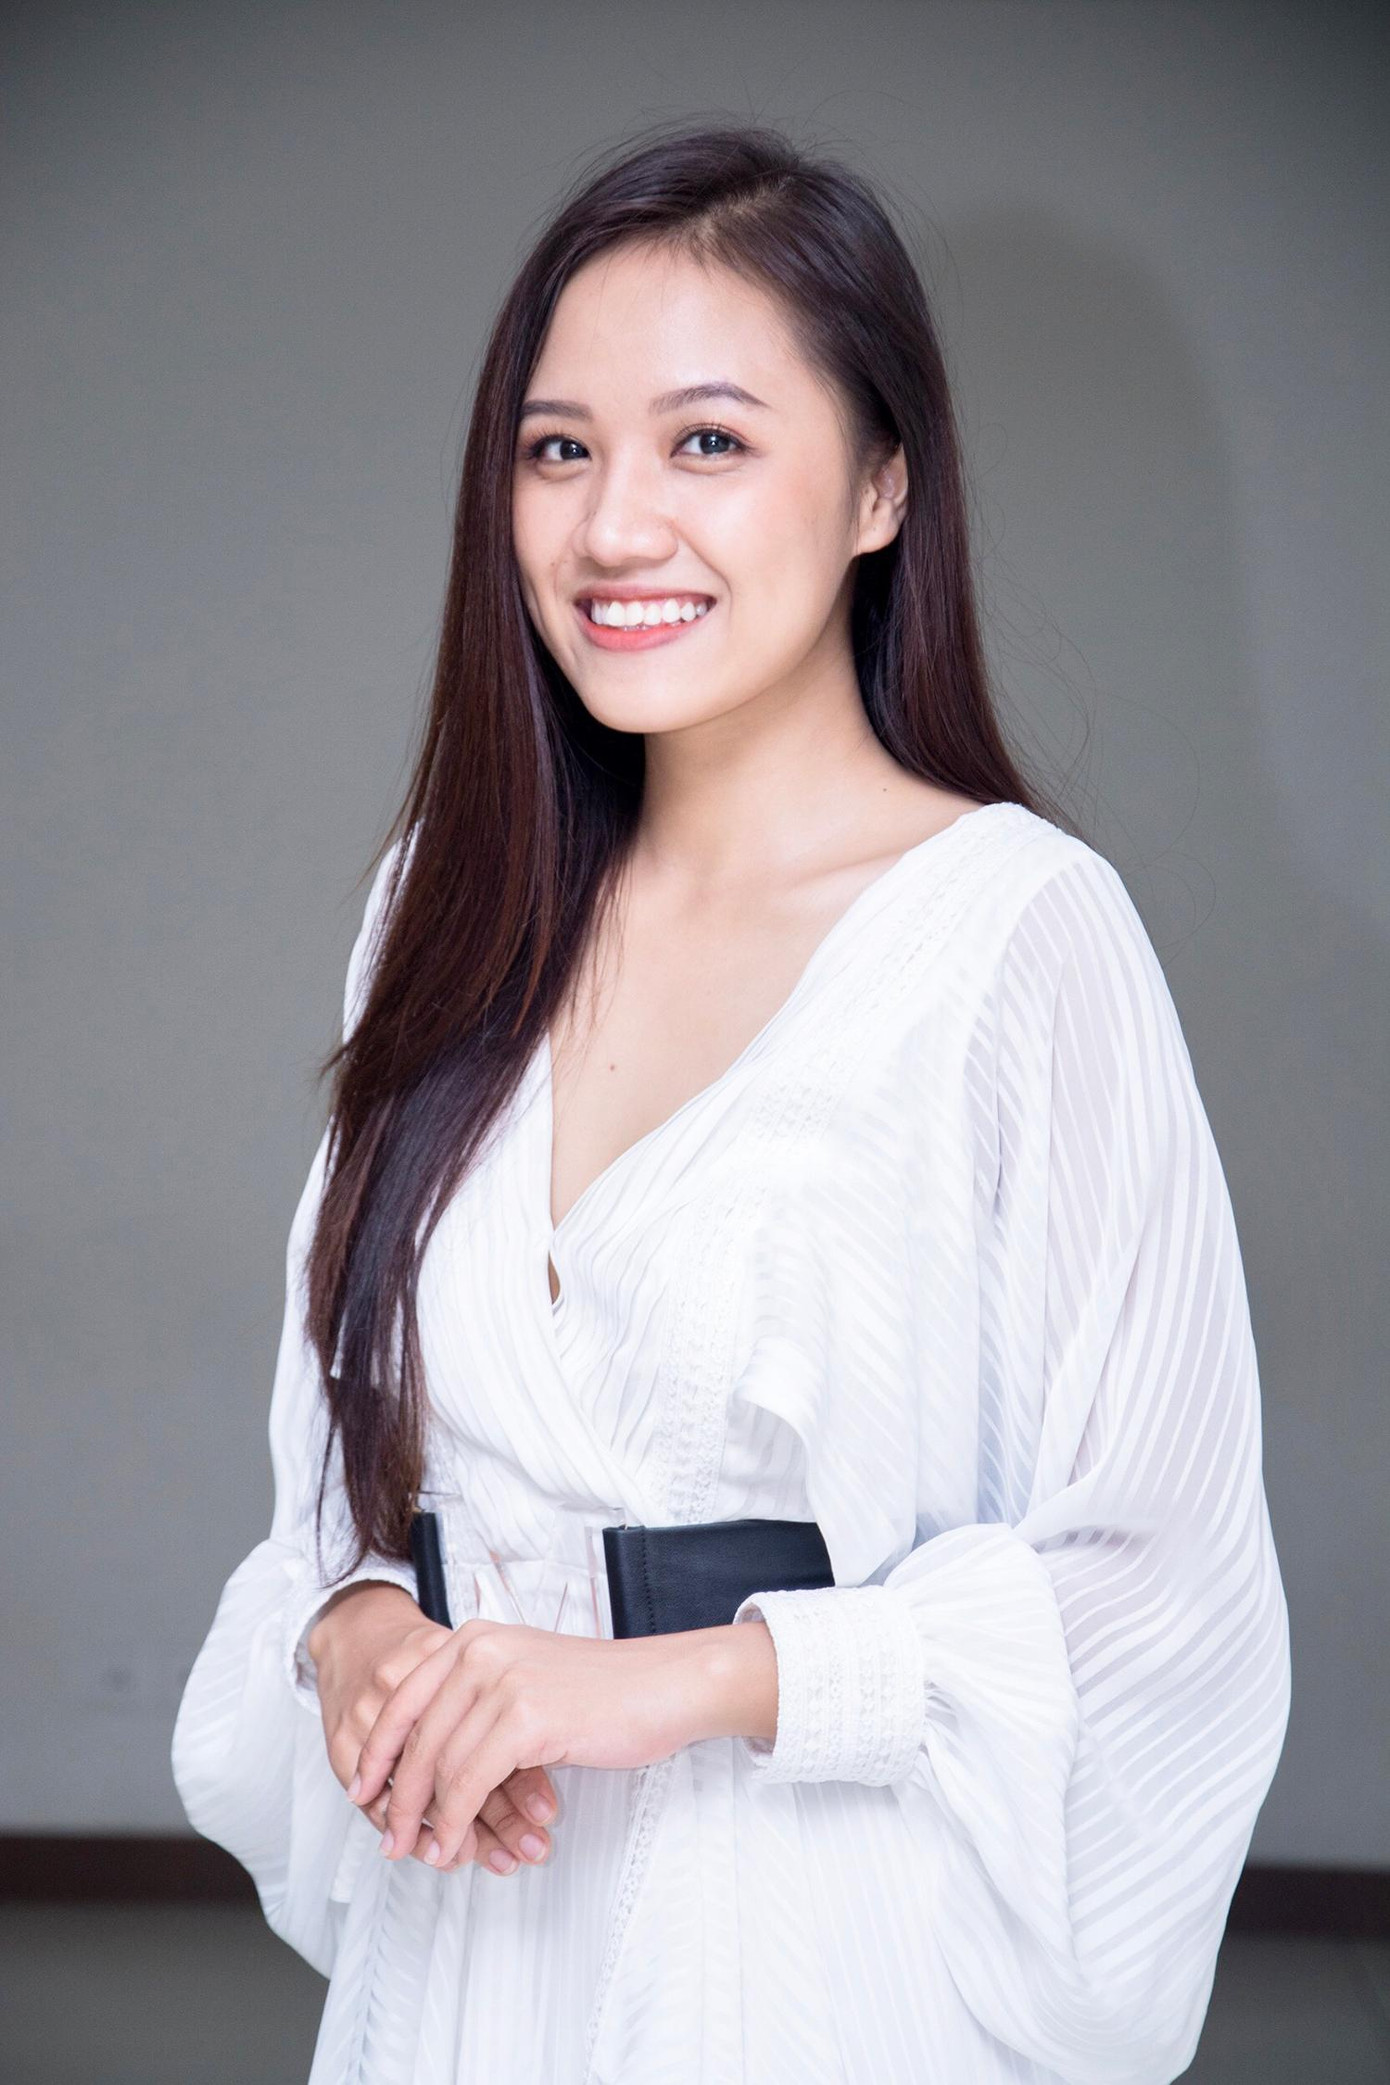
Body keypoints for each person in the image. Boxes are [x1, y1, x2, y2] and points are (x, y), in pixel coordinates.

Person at [171, 122, 1291, 2085]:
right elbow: (336, 1470)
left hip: (806, 1962)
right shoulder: (444, 901)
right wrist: (349, 1628)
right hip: (469, 1952)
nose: (614, 525)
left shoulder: (1016, 937)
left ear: (879, 484)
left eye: (706, 440)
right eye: (557, 447)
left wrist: (682, 1681)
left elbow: (1155, 1589)